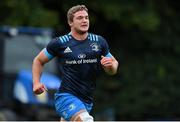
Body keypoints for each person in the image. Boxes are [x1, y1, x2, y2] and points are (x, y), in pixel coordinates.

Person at [32, 4, 119, 122]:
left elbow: (113, 66)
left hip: (86, 101)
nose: (84, 21)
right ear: (70, 22)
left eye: (86, 18)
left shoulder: (99, 42)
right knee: (86, 120)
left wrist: (110, 66)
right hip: (66, 97)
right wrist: (36, 83)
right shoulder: (60, 43)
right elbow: (38, 60)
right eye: (80, 18)